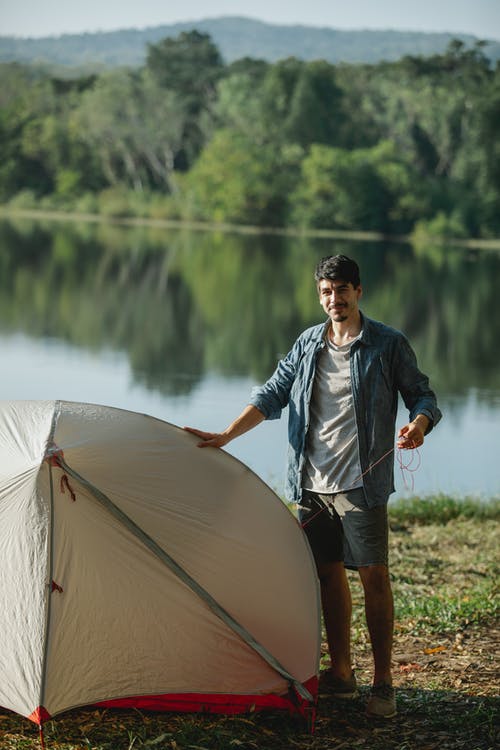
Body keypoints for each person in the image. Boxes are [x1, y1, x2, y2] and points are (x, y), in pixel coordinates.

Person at [185, 254, 441, 719]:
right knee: (326, 574)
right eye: (326, 291)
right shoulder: (307, 342)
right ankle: (341, 675)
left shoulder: (387, 344)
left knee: (374, 577)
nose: (334, 299)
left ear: (358, 291)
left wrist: (419, 423)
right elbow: (271, 394)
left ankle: (383, 684)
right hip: (311, 483)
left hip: (362, 485)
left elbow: (422, 394)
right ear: (318, 294)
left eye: (342, 290)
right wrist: (225, 436)